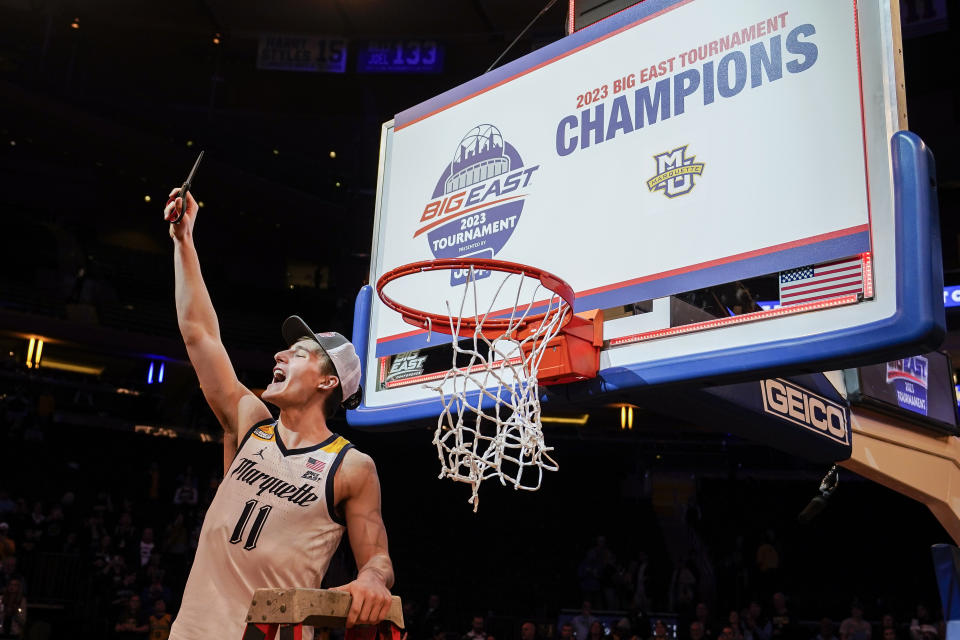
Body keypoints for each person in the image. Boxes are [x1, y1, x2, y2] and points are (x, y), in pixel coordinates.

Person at [162, 190, 393, 639]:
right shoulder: (250, 423)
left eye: (301, 352)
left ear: (329, 382)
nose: (281, 353)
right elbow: (200, 335)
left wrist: (371, 579)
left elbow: (378, 556)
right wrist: (183, 240)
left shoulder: (351, 467)